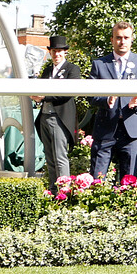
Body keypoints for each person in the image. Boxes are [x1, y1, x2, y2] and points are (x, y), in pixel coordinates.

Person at [87, 21, 137, 180]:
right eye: (118, 38)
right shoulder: (99, 64)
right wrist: (106, 99)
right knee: (97, 178)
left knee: (130, 179)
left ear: (131, 39)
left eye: (126, 38)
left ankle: (129, 205)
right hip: (106, 128)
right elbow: (90, 95)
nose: (122, 41)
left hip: (132, 129)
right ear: (112, 39)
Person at [30, 35, 81, 193]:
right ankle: (53, 190)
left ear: (65, 52)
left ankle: (64, 191)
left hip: (60, 118)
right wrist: (37, 98)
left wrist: (45, 96)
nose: (56, 54)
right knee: (49, 156)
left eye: (59, 51)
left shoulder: (72, 69)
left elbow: (68, 93)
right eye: (53, 51)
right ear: (50, 52)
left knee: (60, 156)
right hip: (45, 116)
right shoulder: (47, 70)